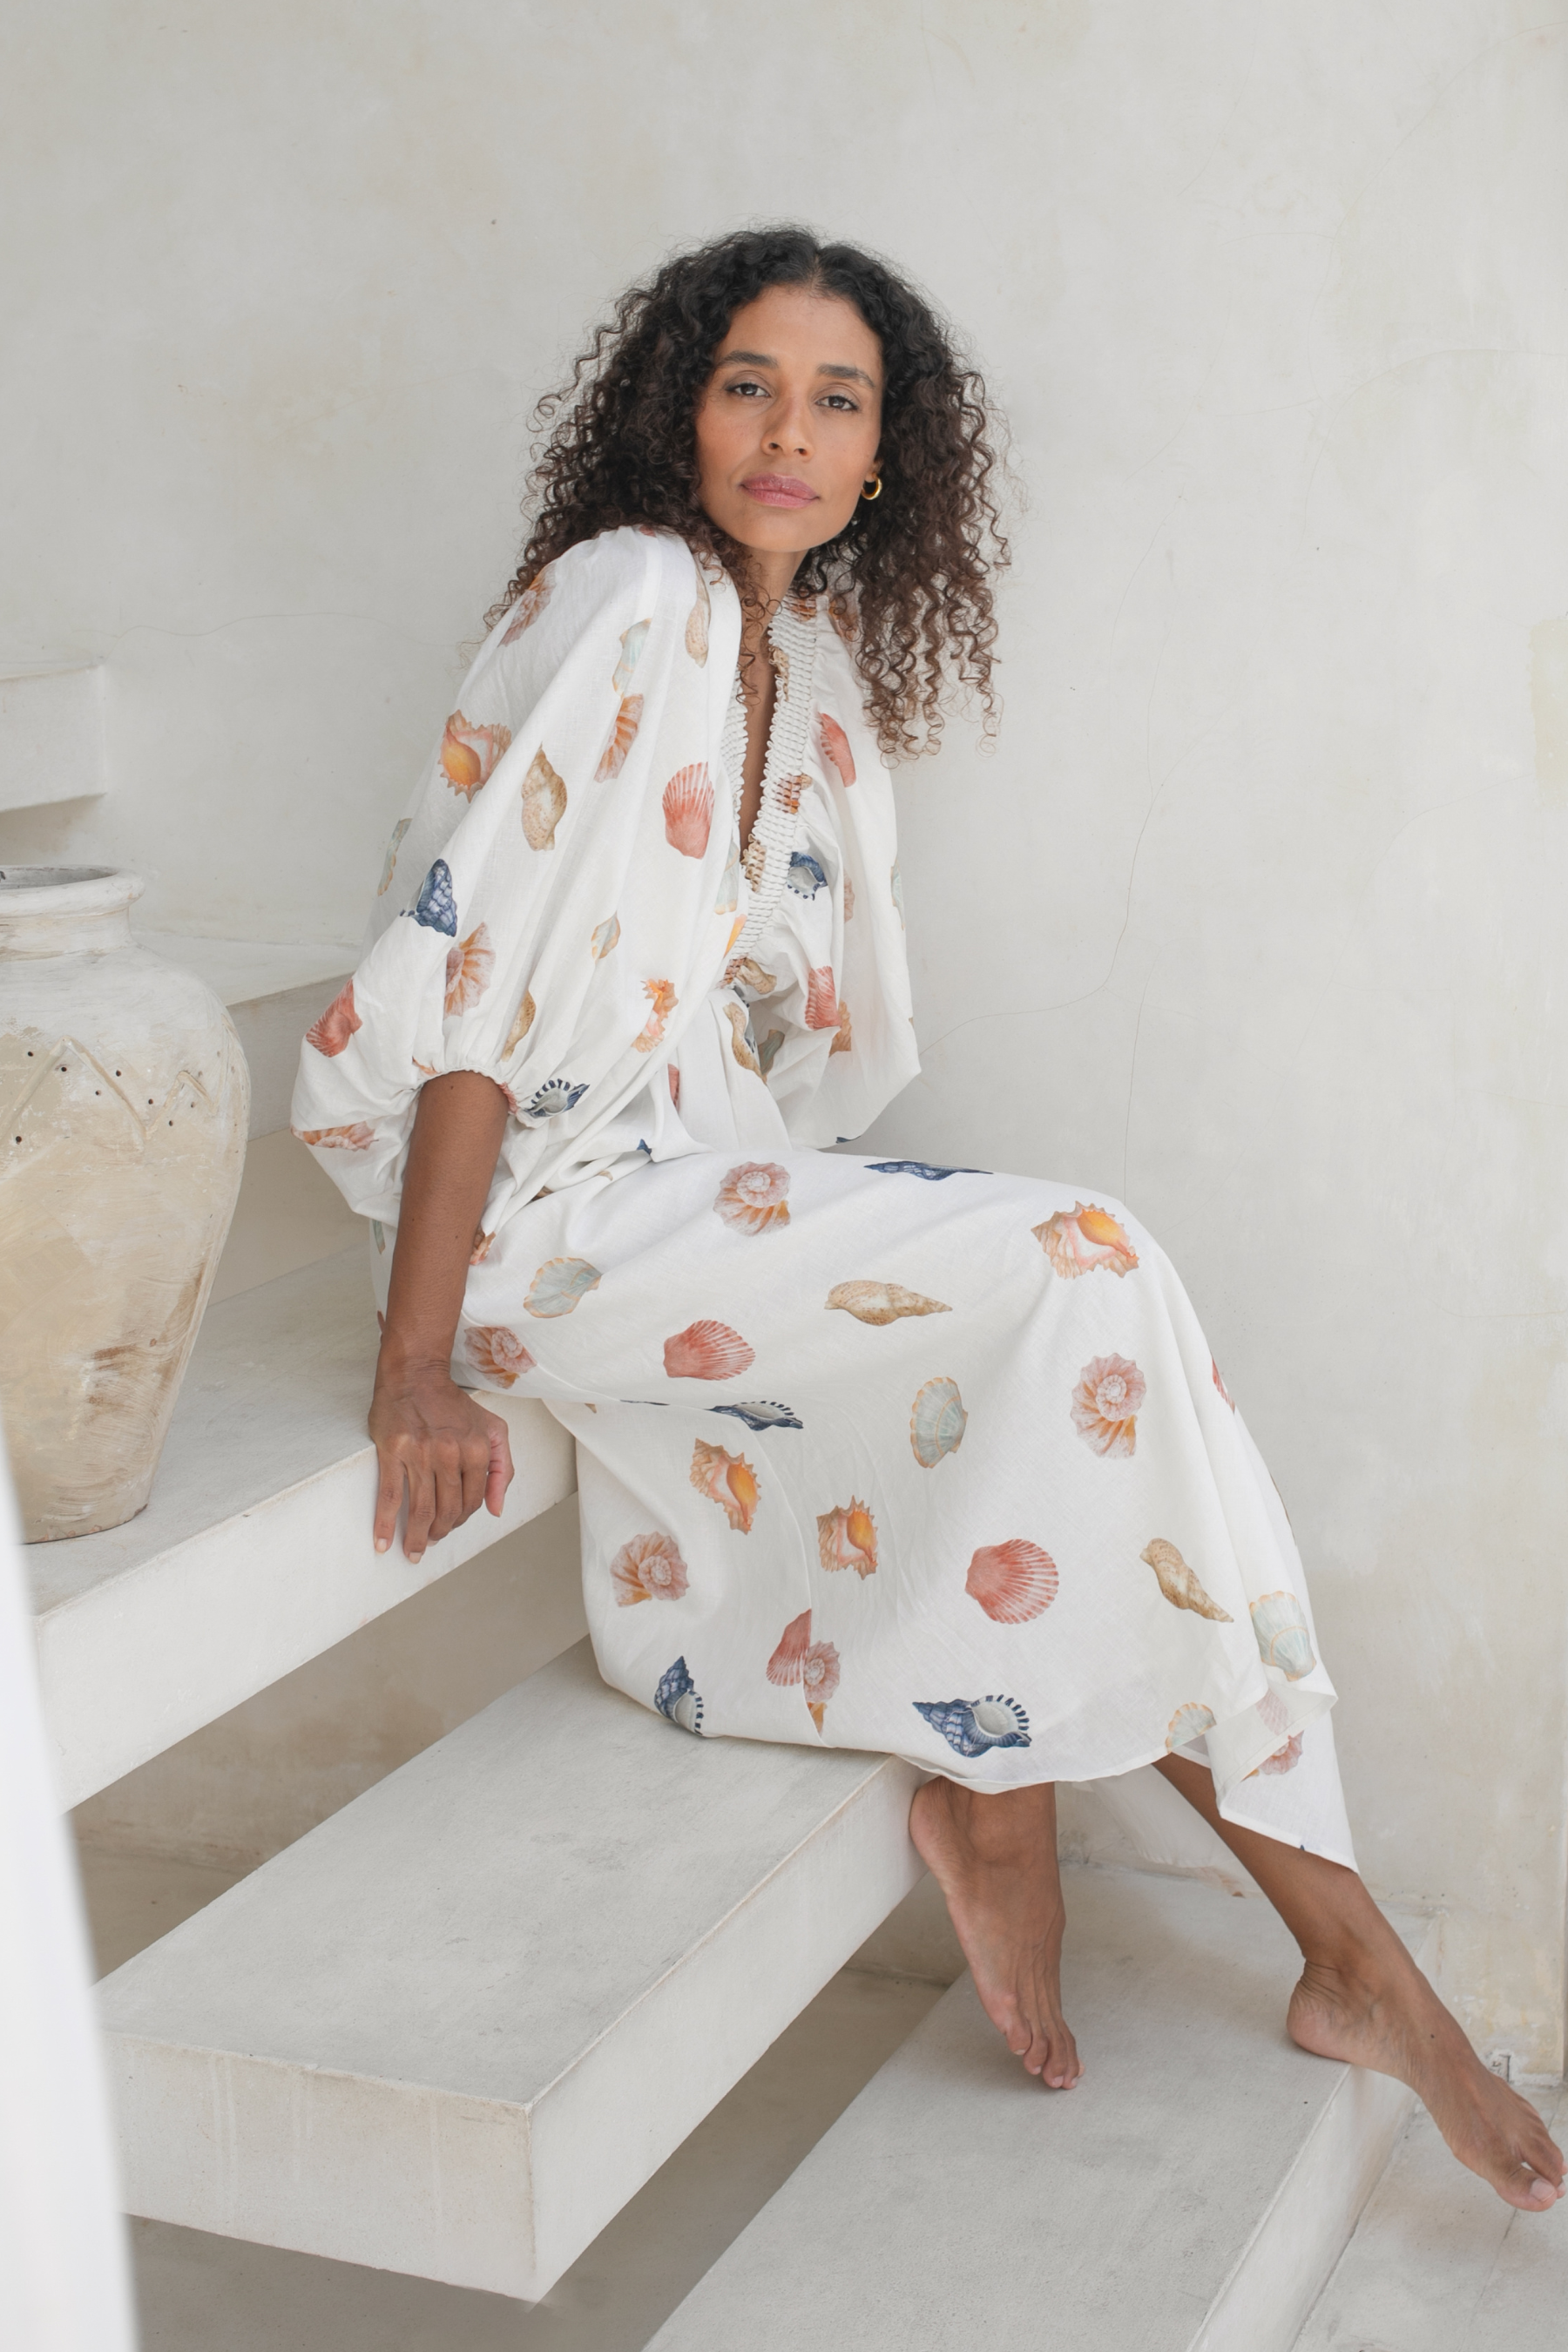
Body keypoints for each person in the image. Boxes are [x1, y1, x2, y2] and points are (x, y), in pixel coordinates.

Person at [292, 225, 1563, 2213]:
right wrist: (415, 1357)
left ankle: (1196, 1879)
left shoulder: (794, 667)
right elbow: (475, 987)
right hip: (554, 1221)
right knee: (1084, 1264)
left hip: (684, 1191)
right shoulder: (632, 598)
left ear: (887, 454)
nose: (787, 433)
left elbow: (764, 1053)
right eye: (747, 385)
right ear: (678, 410)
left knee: (1096, 1322)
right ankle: (1292, 1930)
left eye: (838, 399)